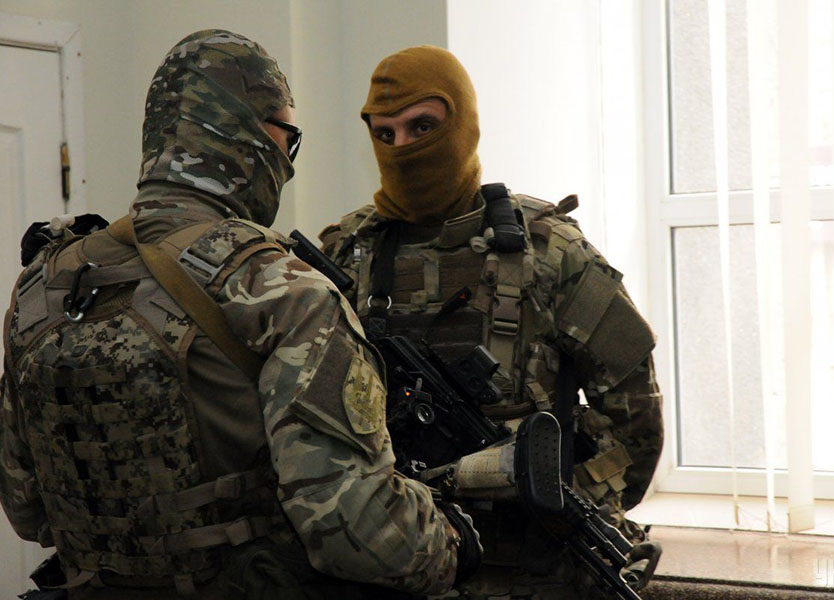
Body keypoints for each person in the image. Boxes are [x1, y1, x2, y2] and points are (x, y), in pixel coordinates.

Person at [0, 31, 480, 600]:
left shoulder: (45, 281)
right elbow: (357, 534)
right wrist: (453, 540)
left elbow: (27, 509)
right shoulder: (283, 290)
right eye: (288, 137)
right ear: (254, 138)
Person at [318, 45, 664, 598]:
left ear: (463, 124)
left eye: (422, 127)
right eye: (385, 134)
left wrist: (561, 501)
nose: (403, 149)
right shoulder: (346, 253)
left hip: (531, 571)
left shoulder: (549, 250)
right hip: (394, 569)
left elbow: (635, 419)